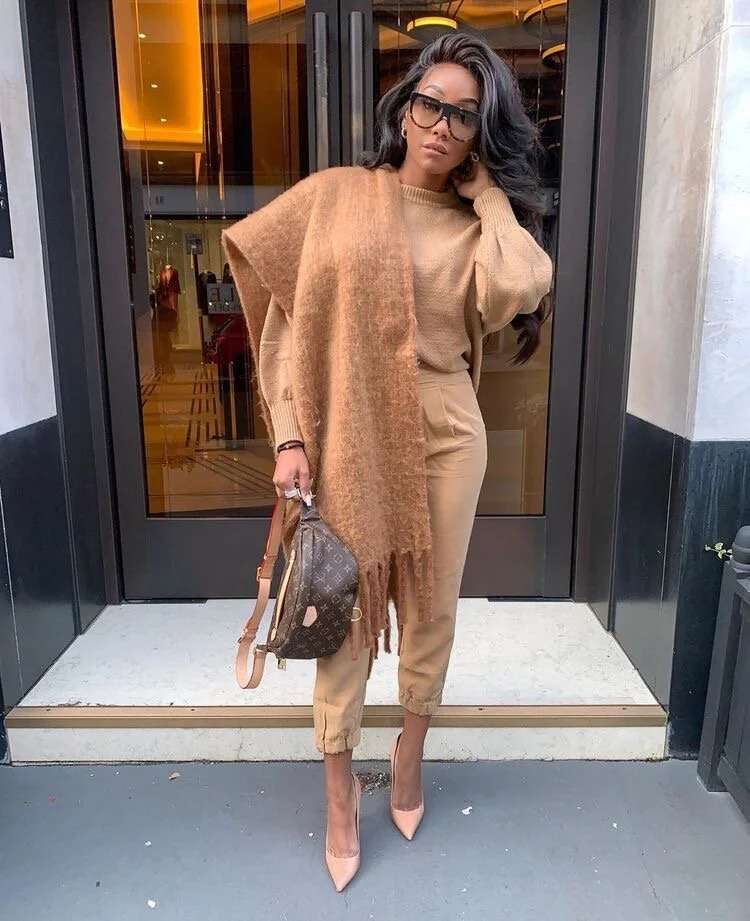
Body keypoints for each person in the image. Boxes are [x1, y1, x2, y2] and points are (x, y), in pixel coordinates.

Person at [222, 33, 553, 892]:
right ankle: (339, 786)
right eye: (431, 104)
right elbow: (283, 326)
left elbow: (524, 282)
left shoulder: (474, 227)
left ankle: (409, 751)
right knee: (345, 605)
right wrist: (289, 436)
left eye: (465, 116)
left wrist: (493, 199)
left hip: (447, 430)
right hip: (349, 427)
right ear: (404, 109)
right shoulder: (336, 196)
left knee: (431, 607)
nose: (443, 125)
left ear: (479, 136)